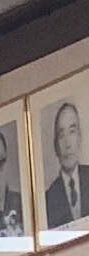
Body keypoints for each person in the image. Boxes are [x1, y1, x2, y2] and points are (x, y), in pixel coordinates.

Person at [47, 97, 89, 236]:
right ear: (55, 146)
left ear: (80, 137)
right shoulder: (49, 198)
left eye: (72, 132)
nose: (68, 144)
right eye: (61, 135)